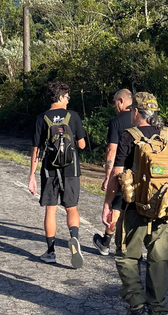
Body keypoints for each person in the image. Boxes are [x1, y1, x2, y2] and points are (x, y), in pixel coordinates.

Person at [102, 92, 168, 315]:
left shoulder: (129, 135)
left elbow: (117, 173)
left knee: (126, 256)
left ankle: (137, 303)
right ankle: (157, 309)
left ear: (135, 112)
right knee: (160, 260)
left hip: (135, 208)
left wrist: (108, 204)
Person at [28, 80, 87, 268]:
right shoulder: (73, 116)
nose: (68, 100)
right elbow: (82, 145)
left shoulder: (41, 118)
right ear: (60, 97)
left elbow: (36, 150)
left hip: (49, 169)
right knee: (72, 207)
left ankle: (51, 251)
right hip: (71, 169)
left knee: (51, 209)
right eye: (67, 96)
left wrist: (31, 176)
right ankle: (74, 238)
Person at [94, 88, 133, 256]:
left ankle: (106, 243)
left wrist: (108, 177)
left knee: (116, 205)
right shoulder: (145, 120)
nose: (114, 106)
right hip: (142, 171)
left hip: (122, 170)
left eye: (115, 102)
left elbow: (111, 150)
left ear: (122, 101)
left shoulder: (117, 122)